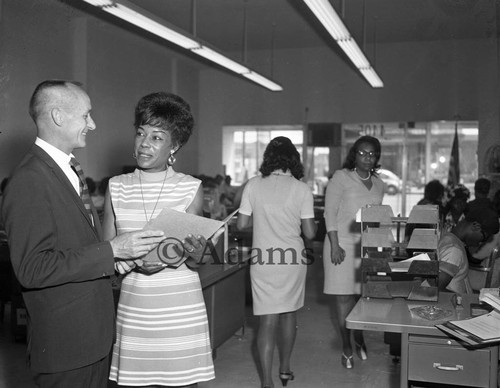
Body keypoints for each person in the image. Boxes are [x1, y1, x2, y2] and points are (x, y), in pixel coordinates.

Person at [0, 80, 166, 388]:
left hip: (91, 339)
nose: (92, 123)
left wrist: (121, 261)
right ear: (59, 117)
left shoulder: (66, 170)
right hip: (68, 346)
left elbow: (75, 248)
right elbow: (32, 269)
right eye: (86, 115)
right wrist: (112, 250)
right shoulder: (29, 179)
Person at [104, 91, 215, 387]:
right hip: (135, 310)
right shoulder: (116, 187)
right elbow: (104, 255)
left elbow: (199, 260)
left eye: (156, 137)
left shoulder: (190, 187)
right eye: (141, 133)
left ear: (174, 145)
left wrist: (199, 251)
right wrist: (135, 263)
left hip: (180, 310)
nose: (144, 143)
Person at [237, 136, 316, 388]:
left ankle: (266, 382)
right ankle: (284, 369)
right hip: (292, 259)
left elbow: (241, 224)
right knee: (289, 314)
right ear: (294, 158)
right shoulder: (302, 189)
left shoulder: (253, 185)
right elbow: (311, 233)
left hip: (263, 260)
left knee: (267, 320)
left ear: (267, 158)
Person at [323, 135, 385, 369]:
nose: (367, 158)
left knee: (362, 298)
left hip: (366, 245)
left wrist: (378, 247)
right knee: (343, 298)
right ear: (354, 154)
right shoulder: (341, 178)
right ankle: (346, 346)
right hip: (341, 243)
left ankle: (359, 338)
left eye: (372, 154)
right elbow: (330, 213)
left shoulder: (379, 183)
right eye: (362, 153)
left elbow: (377, 218)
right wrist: (335, 244)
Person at [438, 206, 499, 294]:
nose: (481, 243)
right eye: (484, 238)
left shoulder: (449, 239)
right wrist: (465, 300)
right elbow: (436, 290)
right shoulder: (454, 250)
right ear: (476, 226)